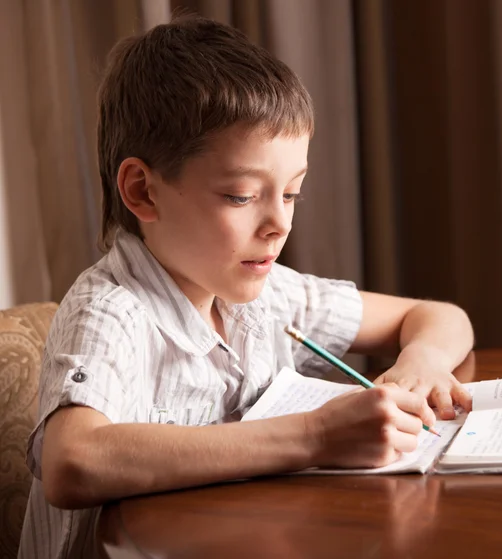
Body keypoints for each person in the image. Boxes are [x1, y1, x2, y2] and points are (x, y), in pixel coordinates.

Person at [18, 15, 474, 559]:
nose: (279, 224)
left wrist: (421, 359)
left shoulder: (267, 293)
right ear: (143, 191)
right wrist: (315, 437)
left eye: (291, 194)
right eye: (240, 195)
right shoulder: (111, 310)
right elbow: (74, 463)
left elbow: (441, 316)